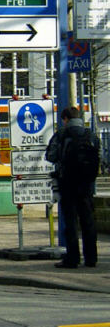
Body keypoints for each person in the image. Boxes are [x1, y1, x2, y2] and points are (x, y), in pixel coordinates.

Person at [45, 107, 100, 269]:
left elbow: (50, 156)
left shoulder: (61, 135)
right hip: (87, 185)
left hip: (67, 183)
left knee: (70, 223)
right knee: (88, 221)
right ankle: (91, 259)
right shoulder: (91, 135)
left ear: (66, 119)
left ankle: (72, 258)